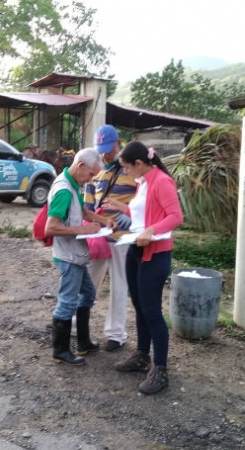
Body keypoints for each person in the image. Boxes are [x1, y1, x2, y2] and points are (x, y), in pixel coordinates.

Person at [103, 142, 183, 394]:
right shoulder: (145, 182)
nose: (126, 172)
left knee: (152, 311)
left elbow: (175, 216)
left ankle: (160, 369)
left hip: (155, 254)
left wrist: (151, 230)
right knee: (139, 306)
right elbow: (144, 215)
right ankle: (142, 356)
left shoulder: (162, 181)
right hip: (135, 249)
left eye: (127, 167)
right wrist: (122, 208)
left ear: (139, 163)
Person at [45, 148, 116, 365]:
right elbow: (51, 228)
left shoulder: (74, 185)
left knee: (88, 294)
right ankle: (60, 351)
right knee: (67, 302)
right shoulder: (64, 191)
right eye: (91, 175)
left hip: (76, 255)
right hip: (68, 258)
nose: (92, 179)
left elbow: (84, 213)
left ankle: (83, 342)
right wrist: (85, 230)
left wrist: (105, 222)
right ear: (80, 166)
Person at [84, 125, 136, 352]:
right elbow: (88, 198)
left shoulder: (133, 169)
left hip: (122, 238)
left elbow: (143, 202)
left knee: (119, 284)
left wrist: (130, 217)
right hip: (98, 236)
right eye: (102, 150)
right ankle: (77, 324)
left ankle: (116, 333)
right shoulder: (96, 167)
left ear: (119, 143)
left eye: (109, 149)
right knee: (87, 281)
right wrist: (89, 222)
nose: (106, 155)